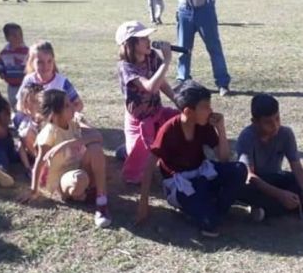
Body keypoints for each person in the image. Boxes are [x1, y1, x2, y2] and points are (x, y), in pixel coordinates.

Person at [137, 81, 248, 238]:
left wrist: (221, 129)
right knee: (210, 227)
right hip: (181, 184)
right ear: (188, 111)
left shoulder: (203, 125)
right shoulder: (169, 130)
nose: (210, 111)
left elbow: (223, 158)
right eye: (205, 107)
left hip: (202, 174)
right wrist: (143, 204)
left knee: (239, 169)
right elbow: (149, 166)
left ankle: (215, 210)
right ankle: (208, 211)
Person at [21, 89, 112, 228]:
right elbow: (39, 162)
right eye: (67, 105)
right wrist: (34, 189)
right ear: (55, 114)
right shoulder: (49, 133)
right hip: (64, 178)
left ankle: (101, 202)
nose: (73, 106)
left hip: (79, 166)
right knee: (79, 179)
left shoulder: (74, 122)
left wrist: (69, 143)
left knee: (95, 148)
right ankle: (82, 192)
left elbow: (98, 137)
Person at [235, 94, 303, 221]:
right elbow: (250, 176)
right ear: (255, 122)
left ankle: (267, 210)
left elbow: (296, 166)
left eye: (277, 118)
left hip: (277, 177)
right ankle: (292, 204)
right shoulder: (247, 137)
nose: (275, 125)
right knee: (241, 190)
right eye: (268, 122)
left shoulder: (286, 133)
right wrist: (280, 195)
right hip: (257, 183)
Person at [115, 21, 178, 184]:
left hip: (157, 112)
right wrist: (167, 61)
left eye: (148, 37)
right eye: (143, 38)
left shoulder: (152, 57)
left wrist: (176, 99)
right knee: (138, 178)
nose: (149, 40)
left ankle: (134, 150)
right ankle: (127, 151)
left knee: (181, 119)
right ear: (131, 43)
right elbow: (150, 87)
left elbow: (160, 82)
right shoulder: (126, 66)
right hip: (139, 121)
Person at [21, 41, 84, 113]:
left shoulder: (62, 82)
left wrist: (63, 116)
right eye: (40, 62)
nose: (45, 66)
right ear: (32, 62)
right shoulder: (29, 80)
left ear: (53, 61)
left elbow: (79, 104)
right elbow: (20, 104)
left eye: (49, 61)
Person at [0, 23, 29, 109]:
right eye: (14, 35)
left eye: (20, 35)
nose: (18, 38)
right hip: (11, 84)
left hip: (25, 84)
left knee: (25, 103)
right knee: (14, 103)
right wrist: (1, 72)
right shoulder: (4, 53)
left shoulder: (27, 52)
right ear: (7, 38)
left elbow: (32, 64)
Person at [13, 82, 43, 176]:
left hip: (47, 150)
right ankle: (28, 168)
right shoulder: (23, 118)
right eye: (25, 101)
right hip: (32, 151)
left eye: (34, 101)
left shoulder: (46, 117)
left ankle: (42, 165)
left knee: (27, 133)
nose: (28, 105)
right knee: (20, 140)